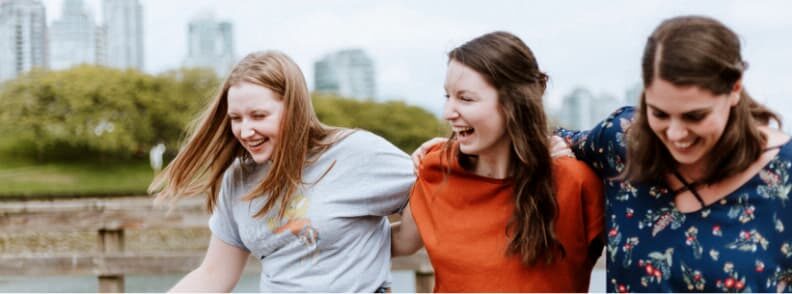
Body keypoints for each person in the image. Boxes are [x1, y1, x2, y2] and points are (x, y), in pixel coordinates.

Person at [414, 16, 792, 292]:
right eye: (659, 113)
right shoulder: (620, 141)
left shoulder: (784, 175)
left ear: (735, 90)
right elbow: (526, 138)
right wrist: (446, 144)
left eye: (695, 116)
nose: (675, 134)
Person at [148, 51, 415, 292]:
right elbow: (214, 274)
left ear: (293, 110)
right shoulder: (238, 179)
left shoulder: (357, 152)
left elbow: (432, 197)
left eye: (259, 116)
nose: (245, 130)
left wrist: (383, 242)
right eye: (236, 118)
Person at [391, 31, 605, 292]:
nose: (448, 113)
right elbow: (400, 242)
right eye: (448, 96)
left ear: (514, 104)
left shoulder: (575, 181)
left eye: (466, 99)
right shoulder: (437, 168)